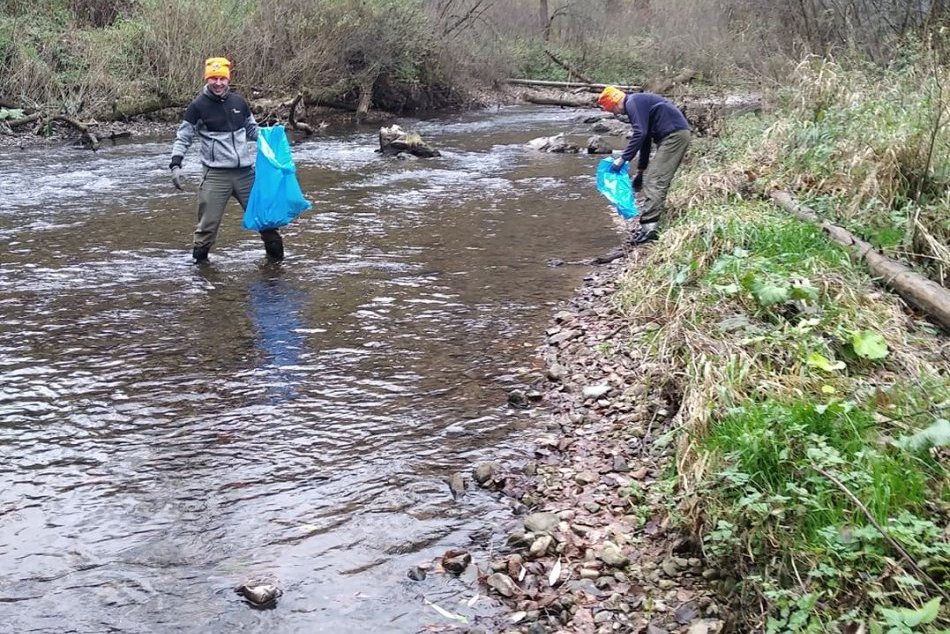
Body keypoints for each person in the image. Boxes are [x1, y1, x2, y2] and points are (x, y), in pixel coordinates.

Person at [169, 56, 284, 264]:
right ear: (207, 79)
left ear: (228, 79)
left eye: (222, 78)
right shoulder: (197, 106)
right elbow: (183, 137)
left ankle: (276, 270)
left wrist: (274, 138)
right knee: (207, 227)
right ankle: (200, 274)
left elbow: (252, 130)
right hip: (215, 176)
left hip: (245, 174)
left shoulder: (239, 102)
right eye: (214, 78)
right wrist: (175, 164)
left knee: (266, 221)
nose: (218, 83)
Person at [598, 86, 690, 245]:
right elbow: (645, 139)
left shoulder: (632, 102)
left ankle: (650, 229)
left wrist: (623, 159)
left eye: (613, 110)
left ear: (616, 103)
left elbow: (640, 133)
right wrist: (640, 171)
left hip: (674, 136)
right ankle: (649, 226)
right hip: (672, 135)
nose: (616, 114)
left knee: (655, 180)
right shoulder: (637, 102)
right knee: (654, 178)